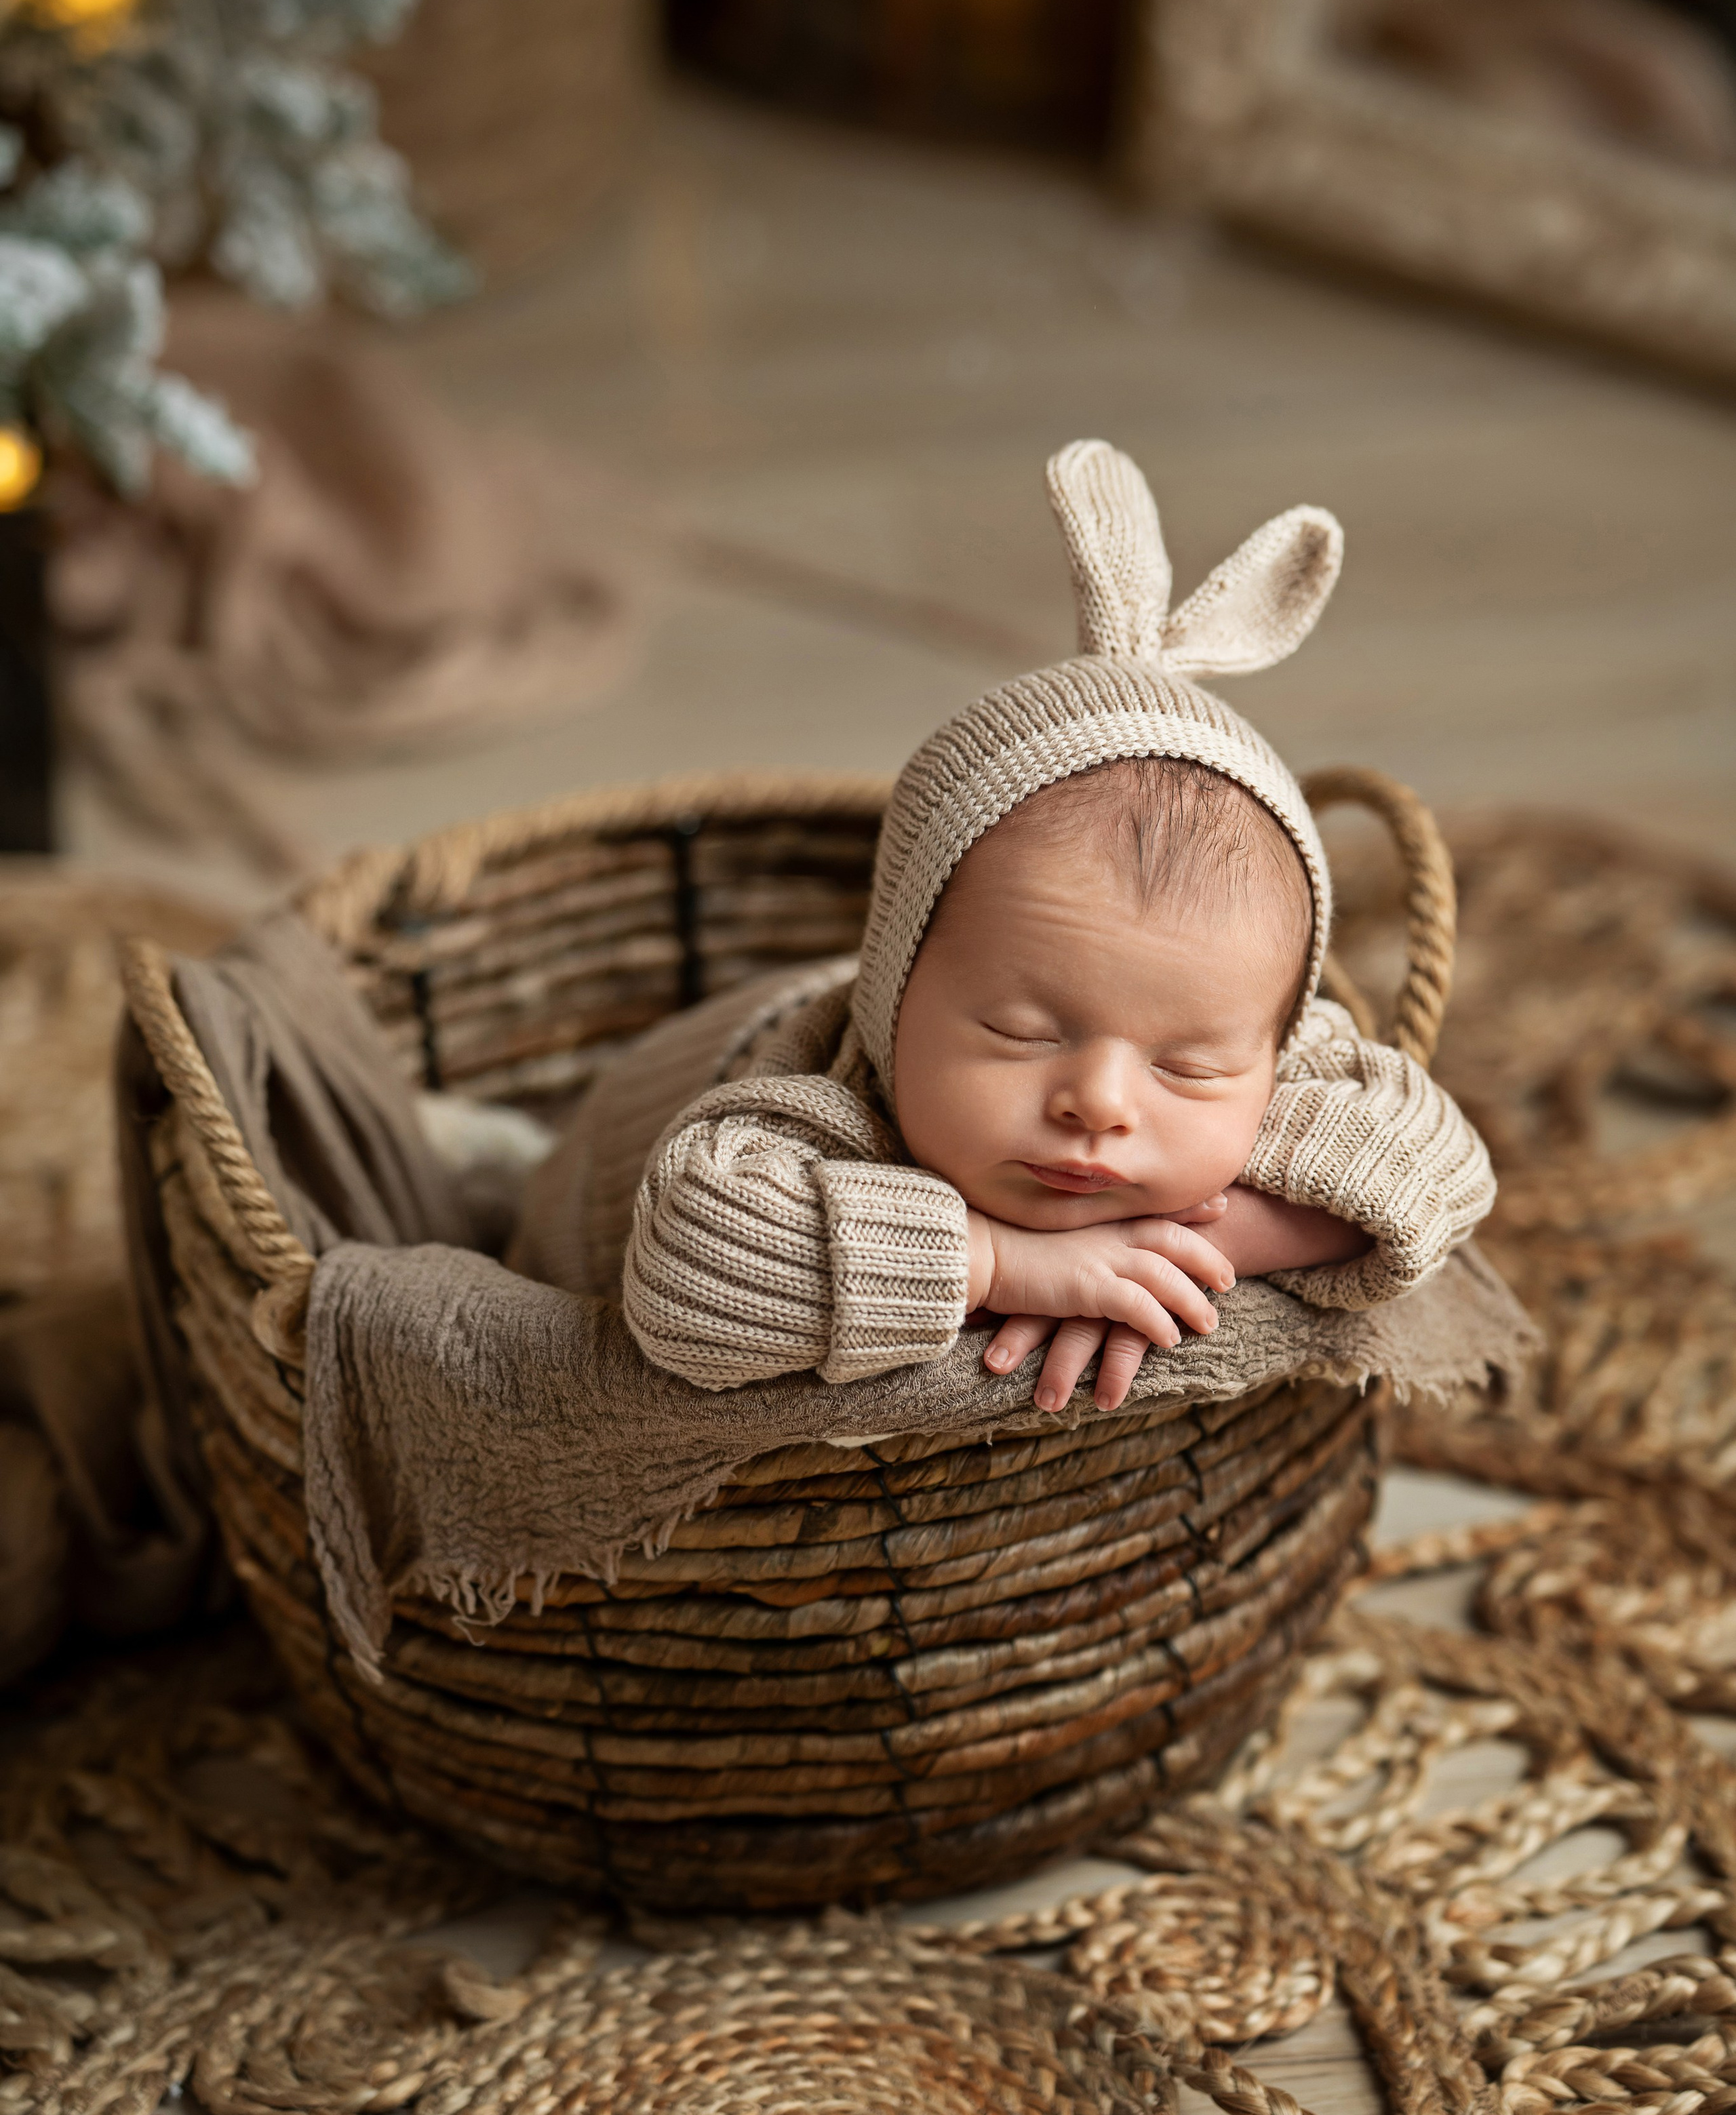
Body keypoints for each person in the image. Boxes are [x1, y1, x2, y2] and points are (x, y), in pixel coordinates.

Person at [513, 440, 1494, 1412]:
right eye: (1023, 1034)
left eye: (1189, 1068)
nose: (1100, 1104)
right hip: (576, 1202)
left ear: (1276, 1047)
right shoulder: (815, 1107)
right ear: (892, 990)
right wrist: (998, 1261)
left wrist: (1213, 1240)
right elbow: (686, 1273)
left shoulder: (1248, 1039)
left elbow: (1439, 1166)